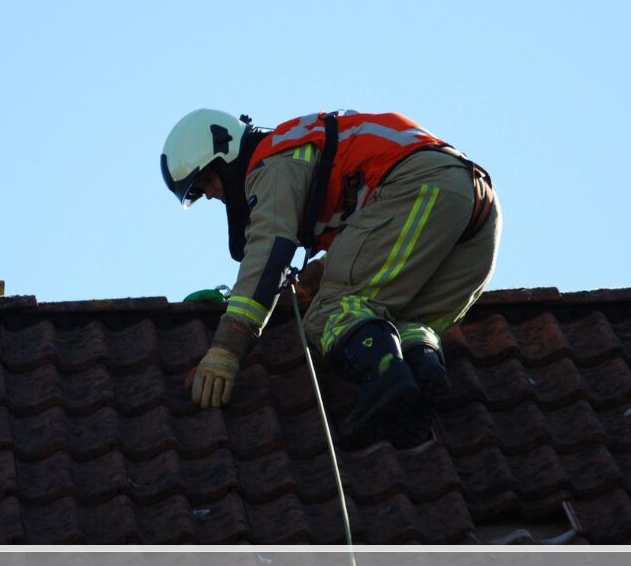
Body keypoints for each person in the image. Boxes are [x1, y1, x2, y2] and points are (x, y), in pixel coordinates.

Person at [161, 108, 501, 449]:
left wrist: (226, 349)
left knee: (331, 312)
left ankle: (384, 380)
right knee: (401, 317)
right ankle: (419, 374)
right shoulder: (305, 150)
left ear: (226, 153)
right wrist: (310, 281)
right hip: (477, 210)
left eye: (207, 180)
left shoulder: (273, 161)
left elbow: (270, 250)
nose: (209, 194)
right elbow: (368, 250)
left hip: (420, 187)